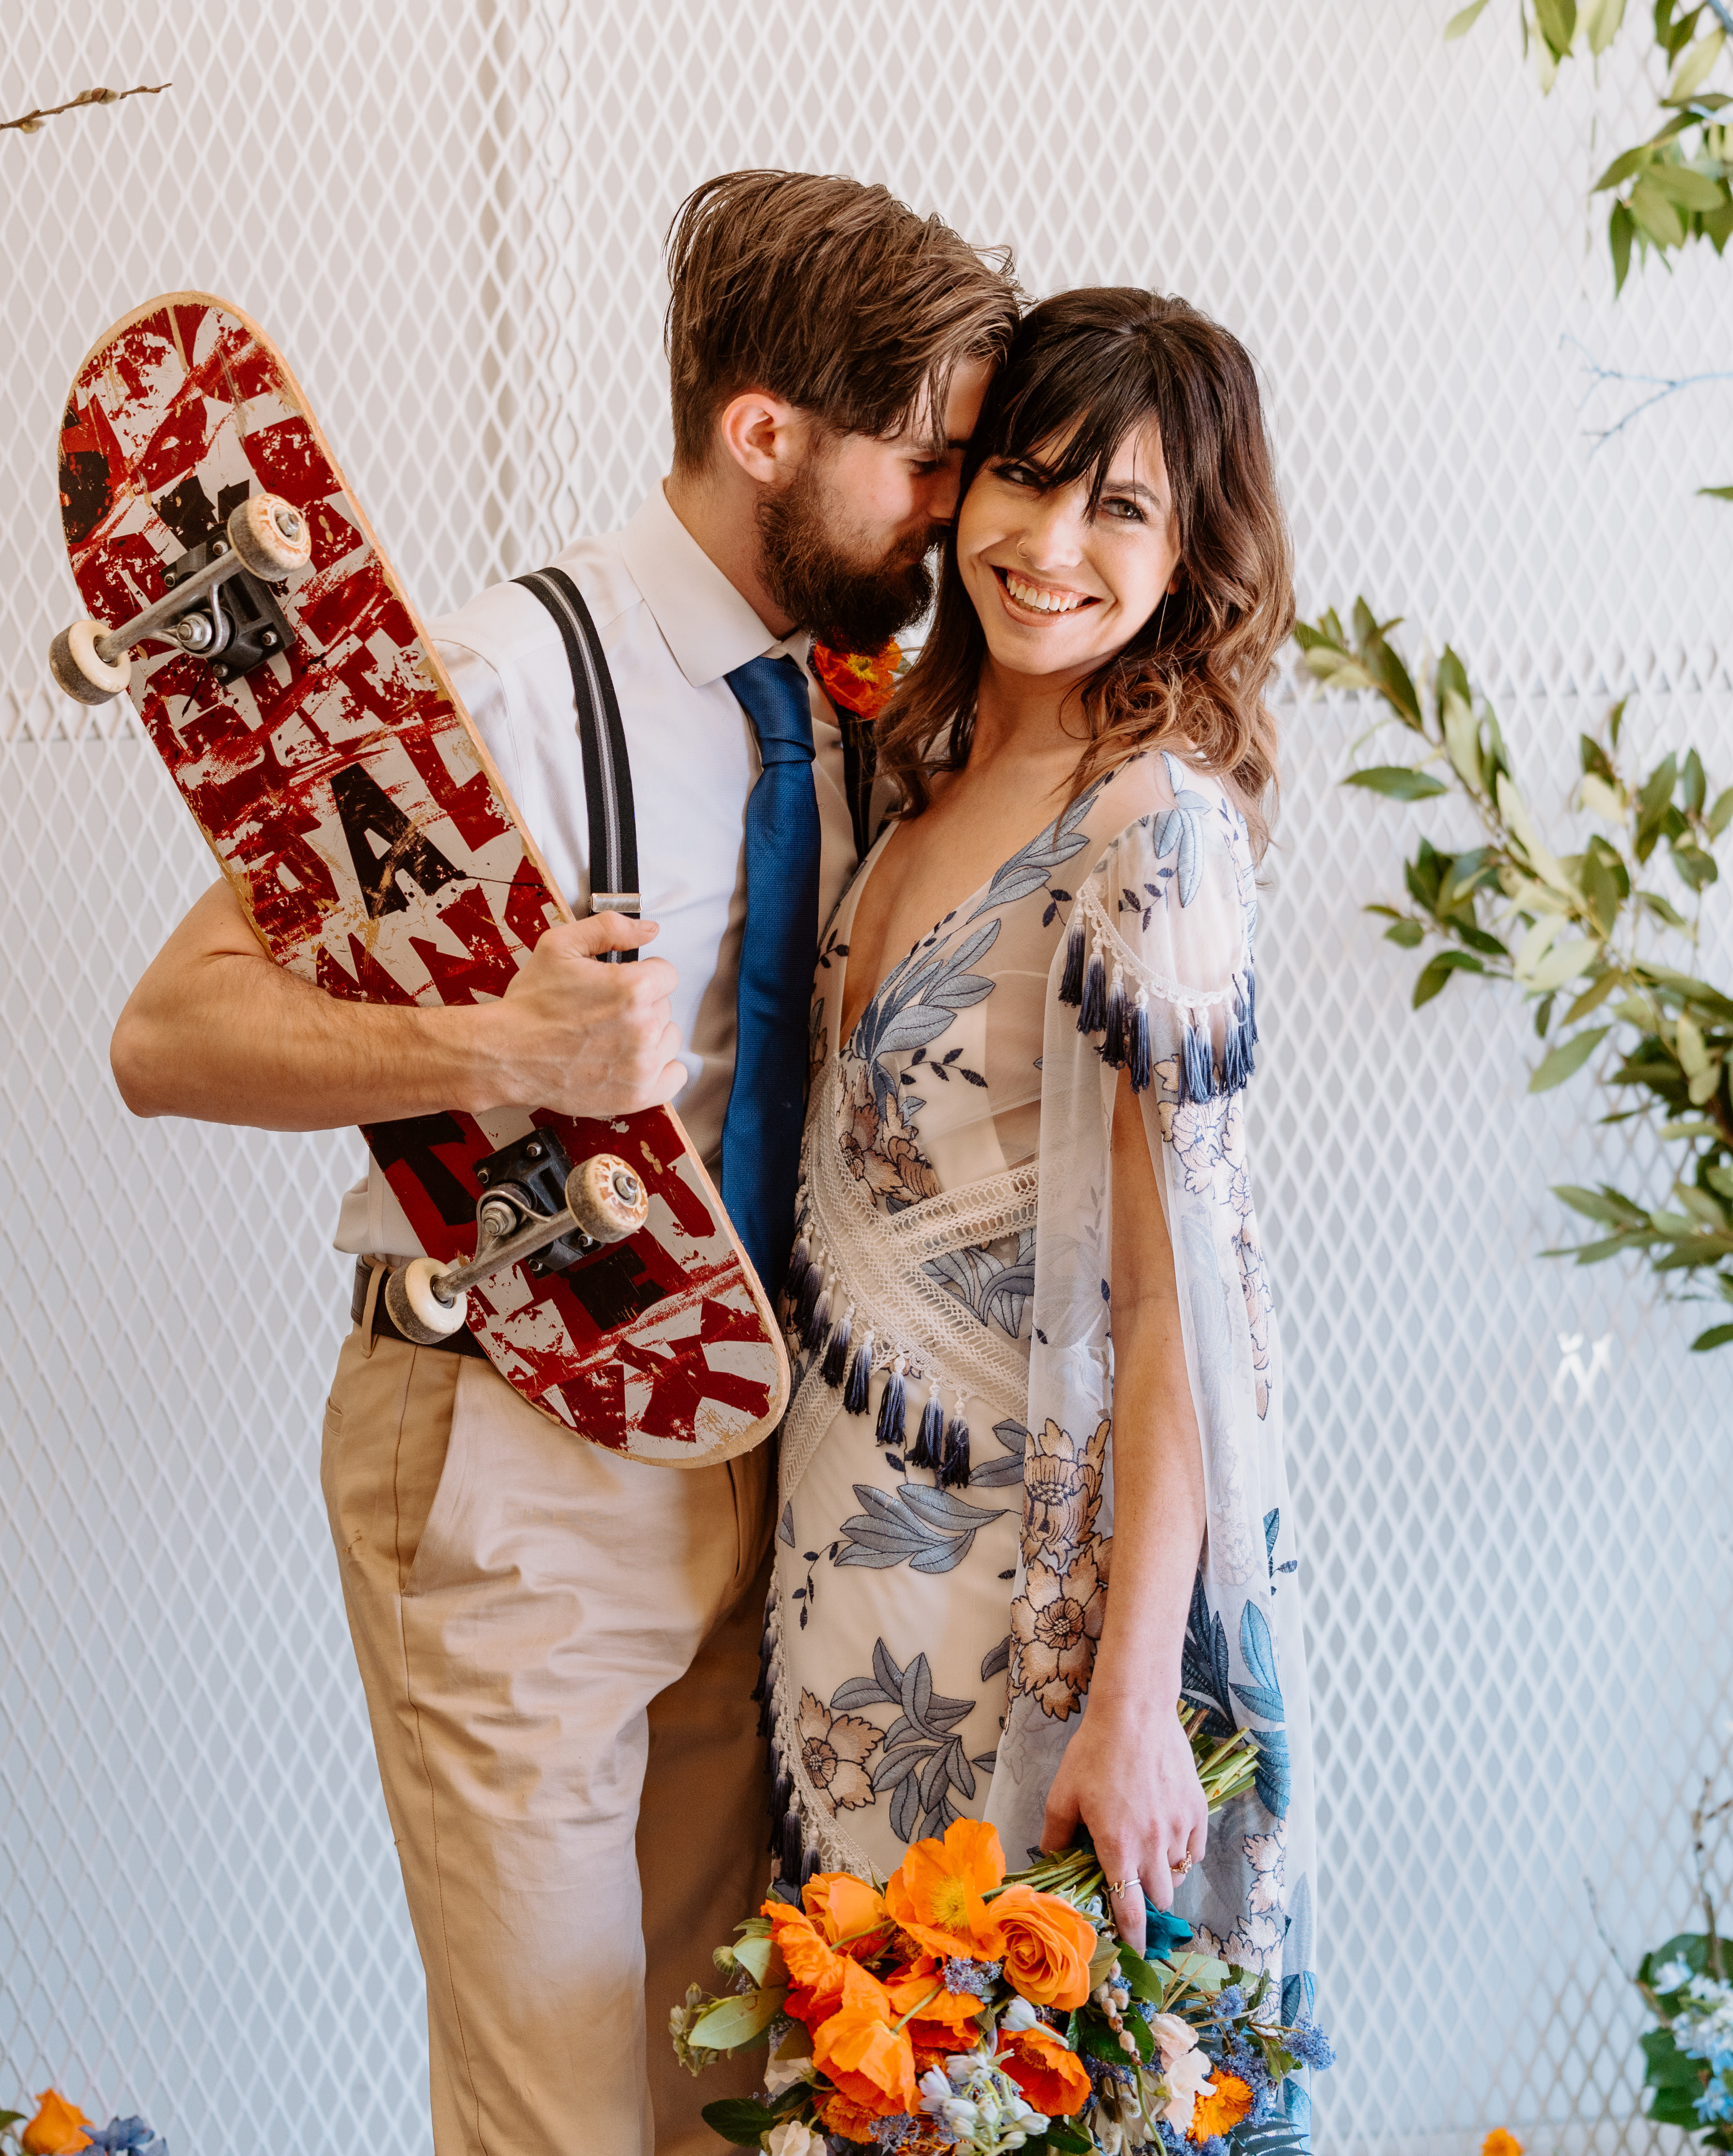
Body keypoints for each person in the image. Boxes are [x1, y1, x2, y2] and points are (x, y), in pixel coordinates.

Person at [108, 169, 1018, 2156]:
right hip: (511, 1457)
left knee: (723, 2100)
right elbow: (161, 1039)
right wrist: (494, 1041)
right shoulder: (502, 684)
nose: (947, 514)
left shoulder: (846, 707)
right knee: (552, 2118)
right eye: (923, 462)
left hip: (751, 1456)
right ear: (765, 433)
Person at [765, 288, 1318, 2125]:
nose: (1053, 546)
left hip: (1032, 1625)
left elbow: (1186, 1317)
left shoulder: (1148, 823)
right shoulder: (907, 781)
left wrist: (1134, 1702)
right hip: (840, 1597)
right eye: (1026, 477)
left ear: (1194, 556)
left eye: (1123, 510)